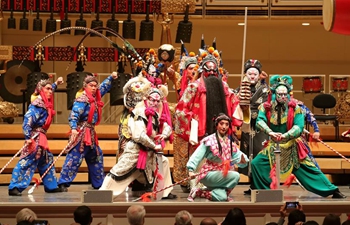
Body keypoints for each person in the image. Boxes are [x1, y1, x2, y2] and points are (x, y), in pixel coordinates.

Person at [250, 75, 346, 198]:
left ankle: (332, 190)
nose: (283, 97)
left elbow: (299, 127)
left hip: (293, 145)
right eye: (280, 94)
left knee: (309, 169)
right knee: (256, 164)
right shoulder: (266, 107)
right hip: (274, 145)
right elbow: (259, 121)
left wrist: (285, 135)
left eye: (285, 94)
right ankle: (265, 193)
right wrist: (270, 132)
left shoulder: (296, 107)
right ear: (275, 94)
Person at [175, 46, 246, 193]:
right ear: (202, 71)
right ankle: (198, 187)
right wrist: (193, 121)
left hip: (222, 132)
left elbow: (235, 104)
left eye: (215, 71)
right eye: (209, 70)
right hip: (202, 131)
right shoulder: (194, 87)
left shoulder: (224, 86)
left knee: (224, 160)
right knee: (201, 159)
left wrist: (242, 109)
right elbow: (181, 109)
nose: (212, 73)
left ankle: (219, 186)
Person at [100, 84, 175, 199]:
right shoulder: (139, 112)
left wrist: (163, 135)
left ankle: (164, 192)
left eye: (157, 101)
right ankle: (103, 194)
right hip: (136, 150)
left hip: (149, 153)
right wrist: (154, 145)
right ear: (146, 99)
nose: (154, 103)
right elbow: (139, 136)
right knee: (119, 171)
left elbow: (167, 126)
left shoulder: (155, 114)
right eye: (152, 100)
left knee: (163, 162)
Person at [58, 72, 118, 191]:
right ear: (85, 86)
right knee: (75, 157)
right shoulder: (82, 99)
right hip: (81, 132)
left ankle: (99, 183)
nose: (94, 88)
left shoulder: (95, 98)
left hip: (90, 133)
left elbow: (103, 88)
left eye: (95, 85)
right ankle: (63, 183)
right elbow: (74, 115)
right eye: (91, 85)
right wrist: (74, 128)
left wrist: (111, 77)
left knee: (96, 156)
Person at [8, 77, 64, 196]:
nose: (50, 91)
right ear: (41, 90)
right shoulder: (36, 106)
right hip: (35, 137)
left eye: (51, 89)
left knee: (47, 160)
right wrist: (28, 137)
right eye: (47, 89)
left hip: (42, 137)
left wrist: (56, 84)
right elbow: (27, 122)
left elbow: (49, 88)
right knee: (27, 160)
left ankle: (51, 186)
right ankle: (15, 186)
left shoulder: (44, 103)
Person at [186, 113, 249, 202]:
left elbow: (239, 156)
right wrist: (191, 170)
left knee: (221, 197)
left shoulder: (230, 143)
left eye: (226, 124)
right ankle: (207, 189)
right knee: (235, 176)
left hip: (222, 174)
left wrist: (243, 161)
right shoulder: (209, 140)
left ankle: (199, 192)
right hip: (209, 173)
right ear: (216, 125)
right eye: (221, 124)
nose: (224, 127)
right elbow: (197, 155)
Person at [236, 59, 269, 195]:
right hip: (246, 126)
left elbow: (264, 107)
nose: (252, 76)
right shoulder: (240, 89)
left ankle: (261, 184)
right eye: (250, 73)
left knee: (259, 153)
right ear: (245, 74)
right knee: (247, 153)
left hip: (259, 126)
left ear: (259, 75)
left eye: (255, 74)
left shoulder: (264, 89)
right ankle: (252, 184)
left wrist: (249, 109)